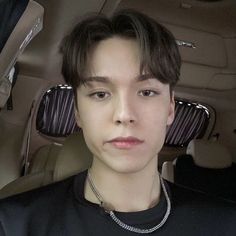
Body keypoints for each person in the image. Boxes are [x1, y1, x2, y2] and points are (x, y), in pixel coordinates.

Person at [0, 9, 236, 236]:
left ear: (170, 109)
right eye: (100, 94)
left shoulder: (226, 224)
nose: (124, 114)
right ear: (78, 112)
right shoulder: (14, 224)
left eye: (146, 92)